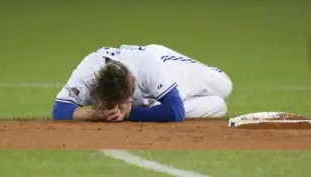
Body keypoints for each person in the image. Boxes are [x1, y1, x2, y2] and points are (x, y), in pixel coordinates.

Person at [52, 44, 232, 122]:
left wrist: (131, 112)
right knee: (218, 106)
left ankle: (152, 104)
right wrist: (97, 113)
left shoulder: (148, 65)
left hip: (170, 68)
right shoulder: (88, 71)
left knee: (225, 86)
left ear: (133, 81)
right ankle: (152, 105)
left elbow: (176, 111)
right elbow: (59, 109)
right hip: (150, 96)